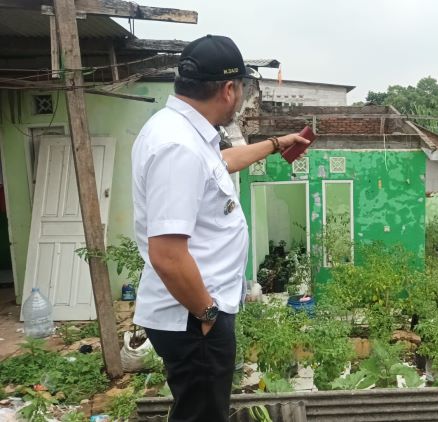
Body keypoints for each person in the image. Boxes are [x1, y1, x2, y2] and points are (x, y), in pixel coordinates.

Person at [130, 35, 309, 421]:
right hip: (193, 316)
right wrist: (208, 315)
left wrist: (276, 143)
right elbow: (167, 254)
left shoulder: (183, 132)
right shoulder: (178, 147)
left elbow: (220, 162)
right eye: (243, 88)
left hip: (193, 311)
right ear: (229, 89)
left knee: (198, 409)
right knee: (202, 415)